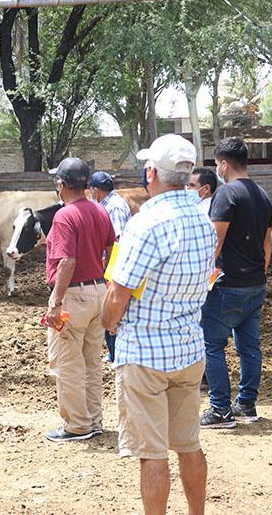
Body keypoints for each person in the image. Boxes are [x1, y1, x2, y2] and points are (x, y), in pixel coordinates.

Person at [102, 134, 215, 515]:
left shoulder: (146, 223)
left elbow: (119, 291)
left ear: (151, 172)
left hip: (147, 353)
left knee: (151, 454)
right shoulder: (203, 220)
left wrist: (110, 324)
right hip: (189, 348)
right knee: (189, 444)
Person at [200, 137, 272, 429]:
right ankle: (246, 404)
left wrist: (203, 278)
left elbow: (214, 243)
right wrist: (259, 274)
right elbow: (267, 246)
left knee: (212, 345)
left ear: (224, 164)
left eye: (217, 164)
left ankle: (220, 409)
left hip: (226, 285)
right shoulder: (264, 196)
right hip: (255, 284)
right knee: (250, 347)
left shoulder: (226, 194)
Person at [43, 157, 115, 442]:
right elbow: (111, 248)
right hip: (98, 291)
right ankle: (94, 419)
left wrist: (55, 301)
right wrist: (107, 282)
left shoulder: (64, 215)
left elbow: (66, 261)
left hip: (73, 295)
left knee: (68, 362)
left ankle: (76, 425)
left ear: (61, 184)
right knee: (91, 361)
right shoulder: (99, 210)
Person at [89, 171, 132, 363]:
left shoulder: (114, 207)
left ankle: (116, 355)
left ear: (96, 191)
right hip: (110, 263)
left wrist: (109, 270)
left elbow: (117, 241)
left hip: (114, 265)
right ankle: (112, 353)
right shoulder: (108, 204)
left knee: (113, 307)